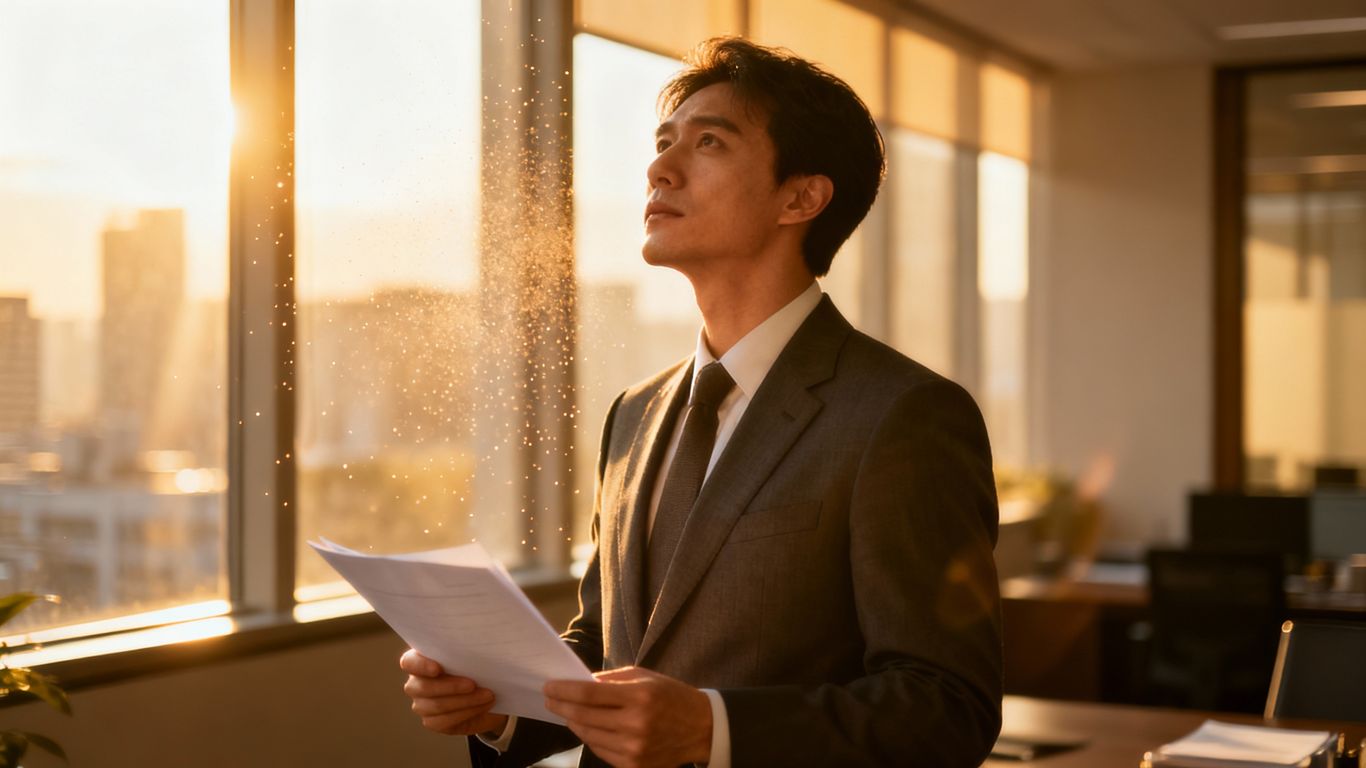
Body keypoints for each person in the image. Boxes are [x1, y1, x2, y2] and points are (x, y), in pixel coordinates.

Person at [401, 36, 1002, 767]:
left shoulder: (902, 416)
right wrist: (501, 705)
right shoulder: (633, 413)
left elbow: (946, 709)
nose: (659, 167)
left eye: (709, 141)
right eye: (663, 141)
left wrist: (715, 730)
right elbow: (604, 650)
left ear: (801, 197)